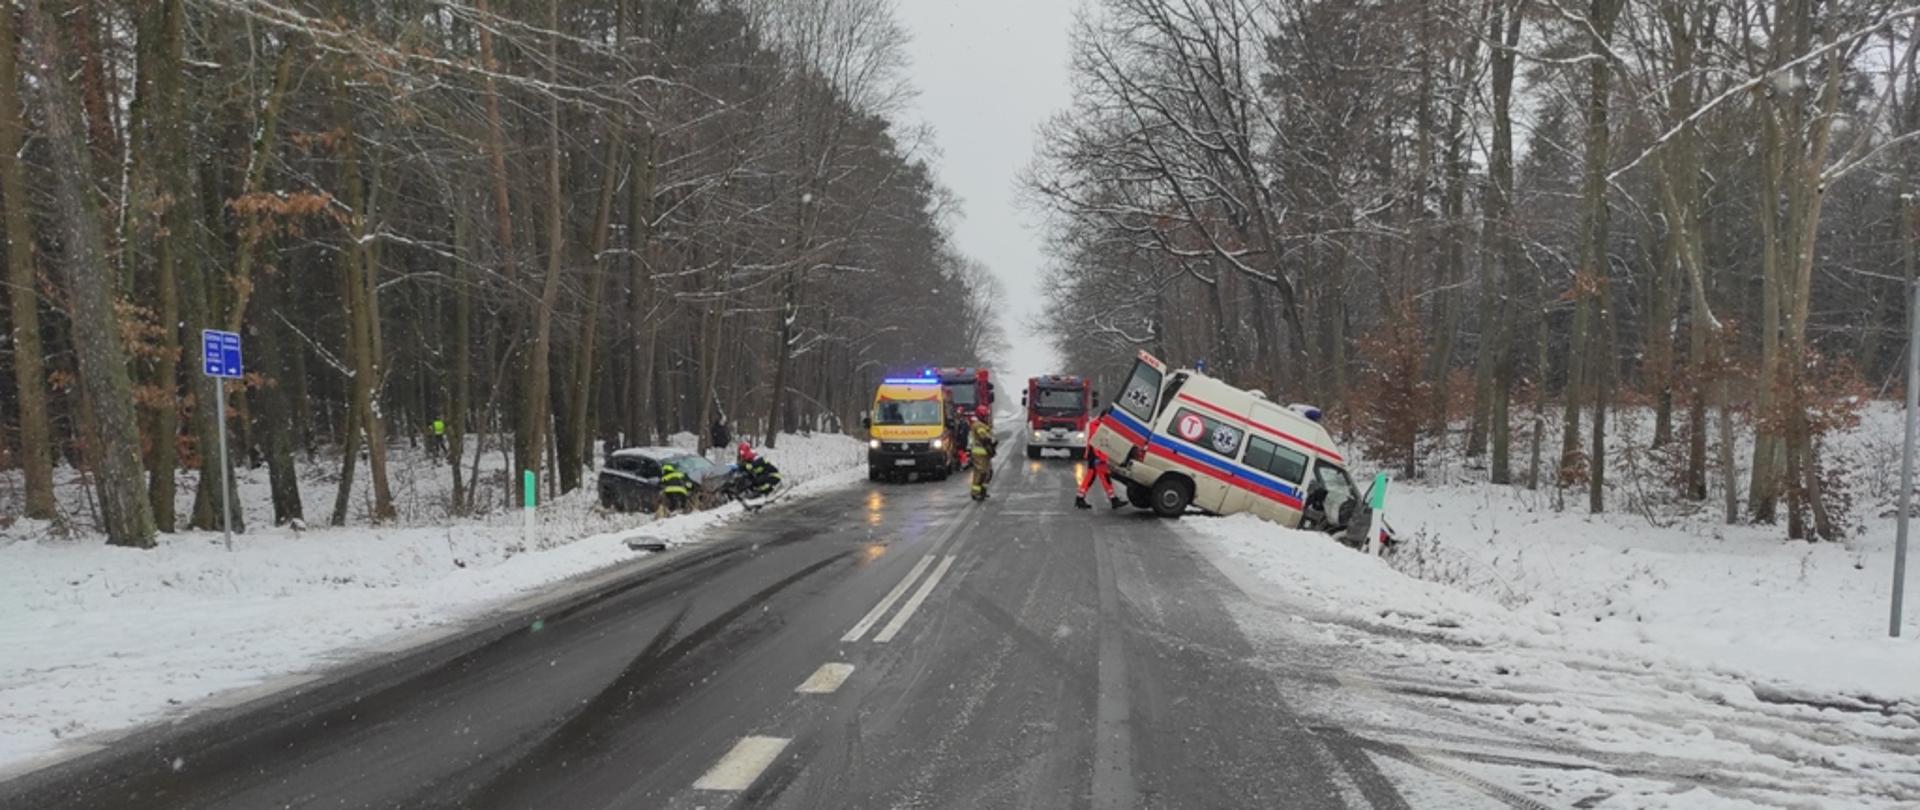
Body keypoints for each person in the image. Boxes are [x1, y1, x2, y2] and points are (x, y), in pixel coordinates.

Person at [1075, 420, 1124, 510]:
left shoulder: (1099, 425)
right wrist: (1099, 457)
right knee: (1093, 476)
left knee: (1102, 476)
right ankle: (1080, 498)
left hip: (1098, 456)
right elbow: (1097, 443)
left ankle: (1113, 499)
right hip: (1096, 456)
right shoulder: (1097, 426)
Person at [968, 405, 997, 501]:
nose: (987, 417)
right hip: (979, 454)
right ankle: (976, 493)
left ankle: (983, 490)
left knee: (989, 473)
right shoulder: (978, 425)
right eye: (985, 415)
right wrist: (991, 442)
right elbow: (984, 437)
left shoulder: (983, 424)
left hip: (985, 454)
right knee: (981, 473)